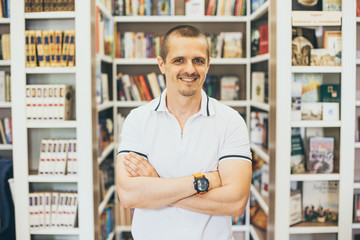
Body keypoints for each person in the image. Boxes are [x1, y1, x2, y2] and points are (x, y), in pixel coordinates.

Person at [116, 25, 252, 240]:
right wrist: (204, 181)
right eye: (179, 60)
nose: (190, 69)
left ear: (208, 64)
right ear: (162, 64)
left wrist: (157, 184)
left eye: (198, 60)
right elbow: (129, 195)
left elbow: (235, 203)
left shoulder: (231, 120)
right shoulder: (137, 119)